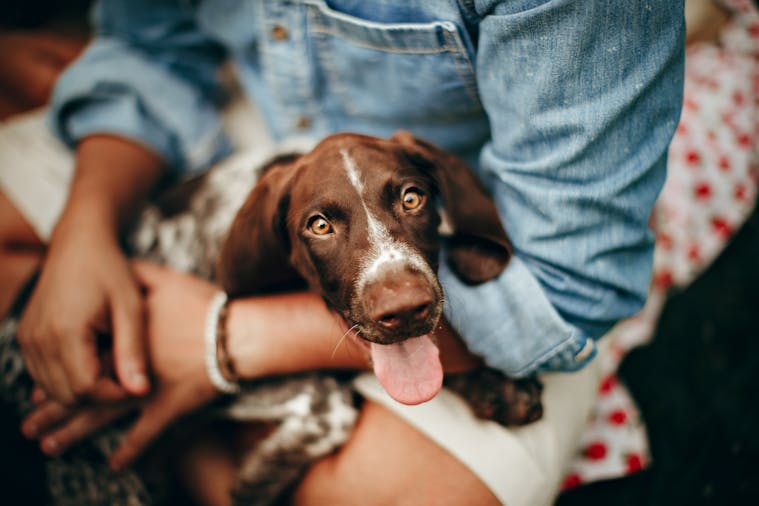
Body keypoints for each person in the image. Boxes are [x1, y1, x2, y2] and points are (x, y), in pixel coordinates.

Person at [0, 1, 685, 504]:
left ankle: (178, 431)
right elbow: (149, 54)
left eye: (408, 202)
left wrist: (218, 343)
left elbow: (570, 281)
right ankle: (170, 412)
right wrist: (80, 240)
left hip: (490, 186)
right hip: (239, 135)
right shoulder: (265, 207)